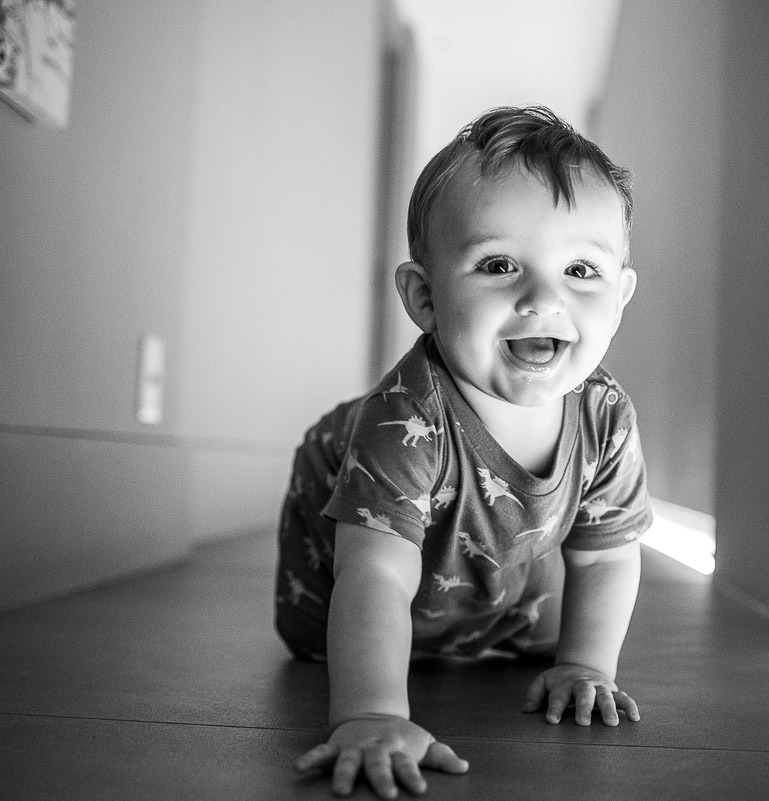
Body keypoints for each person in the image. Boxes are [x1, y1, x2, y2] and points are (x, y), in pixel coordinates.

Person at [275, 105, 652, 799]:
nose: (544, 296)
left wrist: (586, 664)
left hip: (489, 572)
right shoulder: (403, 417)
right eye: (500, 264)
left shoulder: (605, 416)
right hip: (343, 561)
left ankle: (477, 616)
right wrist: (371, 713)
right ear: (424, 296)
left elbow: (603, 553)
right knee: (338, 618)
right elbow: (377, 578)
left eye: (580, 268)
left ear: (621, 296)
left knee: (547, 617)